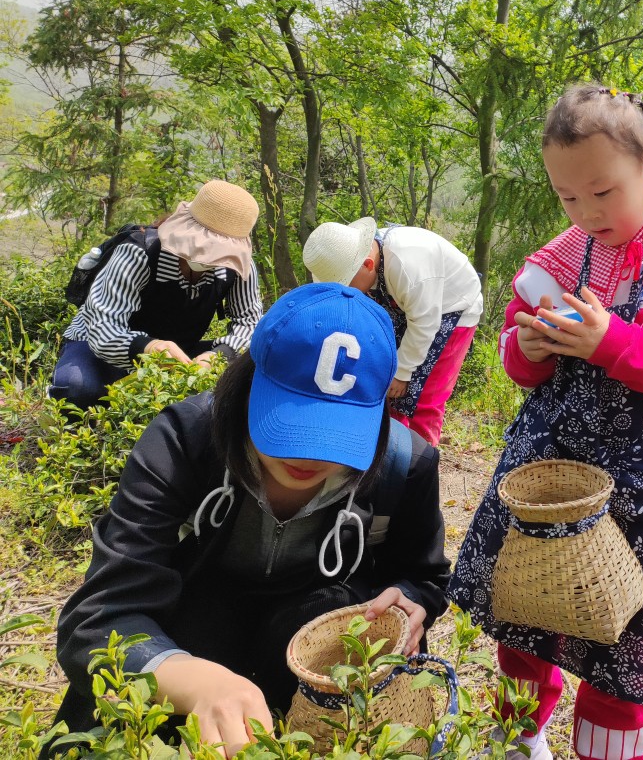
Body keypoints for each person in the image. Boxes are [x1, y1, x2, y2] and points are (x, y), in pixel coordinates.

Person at [449, 83, 643, 760]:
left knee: (625, 629)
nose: (586, 212)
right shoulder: (555, 263)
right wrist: (527, 350)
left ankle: (608, 749)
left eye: (602, 191)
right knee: (528, 603)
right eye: (567, 197)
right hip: (545, 465)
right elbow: (514, 353)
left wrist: (614, 343)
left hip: (637, 478)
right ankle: (519, 736)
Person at [51, 283, 450, 758]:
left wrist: (410, 597)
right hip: (188, 632)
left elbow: (425, 576)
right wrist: (192, 680)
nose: (308, 455)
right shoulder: (184, 442)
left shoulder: (405, 465)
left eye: (336, 432)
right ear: (251, 379)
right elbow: (98, 617)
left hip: (312, 655)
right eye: (290, 420)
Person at [51, 179, 265, 409]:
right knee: (76, 389)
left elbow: (249, 323)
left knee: (247, 382)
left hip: (178, 349)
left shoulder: (238, 266)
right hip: (100, 344)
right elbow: (103, 326)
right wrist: (149, 347)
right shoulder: (140, 252)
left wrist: (218, 355)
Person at [303, 218, 483, 446]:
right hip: (410, 308)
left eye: (346, 283)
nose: (345, 291)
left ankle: (420, 454)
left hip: (451, 308)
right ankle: (392, 447)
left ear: (368, 265)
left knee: (425, 395)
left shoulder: (406, 266)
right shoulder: (367, 260)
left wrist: (402, 372)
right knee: (390, 388)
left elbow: (425, 322)